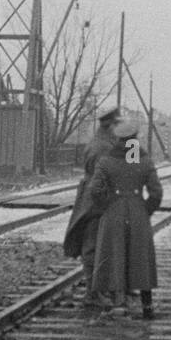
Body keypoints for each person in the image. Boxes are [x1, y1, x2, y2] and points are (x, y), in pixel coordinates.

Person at [85, 117, 163, 318]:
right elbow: (156, 193)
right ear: (135, 138)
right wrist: (145, 210)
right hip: (138, 211)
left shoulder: (107, 160)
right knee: (141, 258)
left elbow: (94, 190)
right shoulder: (143, 160)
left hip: (114, 213)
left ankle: (119, 303)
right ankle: (147, 305)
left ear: (118, 139)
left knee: (115, 255)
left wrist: (106, 207)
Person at [62, 107, 123, 299]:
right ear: (110, 126)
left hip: (98, 201)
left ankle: (101, 289)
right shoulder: (102, 148)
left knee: (98, 245)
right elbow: (102, 179)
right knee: (93, 247)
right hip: (97, 204)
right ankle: (94, 293)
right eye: (118, 125)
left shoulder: (105, 143)